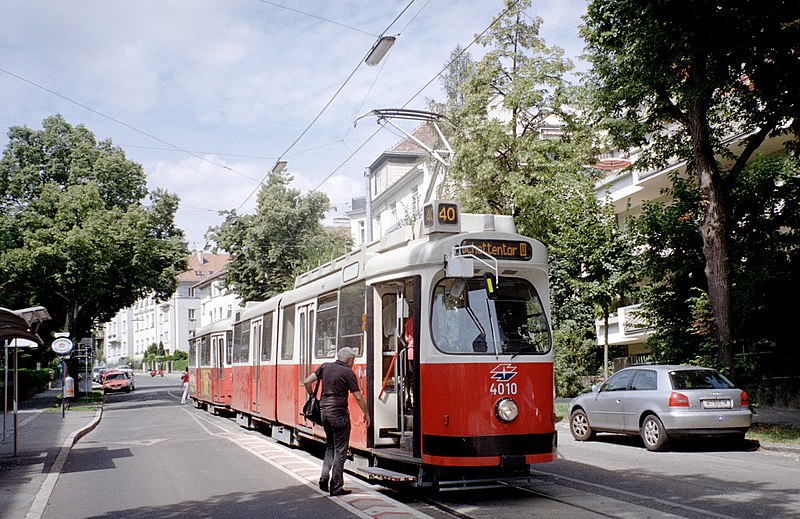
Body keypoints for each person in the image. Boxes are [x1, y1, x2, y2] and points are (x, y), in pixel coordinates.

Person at [303, 347, 370, 497]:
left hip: (324, 413)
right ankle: (336, 486)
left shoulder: (325, 366)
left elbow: (307, 381)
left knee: (330, 446)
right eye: (353, 360)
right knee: (340, 450)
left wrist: (312, 395)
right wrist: (366, 413)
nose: (353, 363)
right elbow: (358, 397)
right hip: (339, 414)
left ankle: (324, 477)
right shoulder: (348, 373)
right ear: (349, 360)